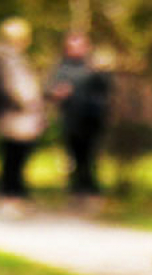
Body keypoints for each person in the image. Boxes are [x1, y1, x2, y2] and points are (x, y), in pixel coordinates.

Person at [49, 33, 112, 196]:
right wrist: (58, 93)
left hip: (92, 120)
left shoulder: (93, 68)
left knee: (91, 155)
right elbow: (50, 89)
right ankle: (77, 187)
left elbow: (106, 89)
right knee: (75, 155)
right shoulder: (61, 69)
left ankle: (90, 187)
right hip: (71, 119)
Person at [0, 18, 45, 205]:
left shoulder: (12, 58)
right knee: (14, 157)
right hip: (17, 116)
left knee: (15, 157)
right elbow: (15, 88)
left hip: (18, 117)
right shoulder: (9, 59)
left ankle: (13, 194)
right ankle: (10, 196)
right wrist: (30, 103)